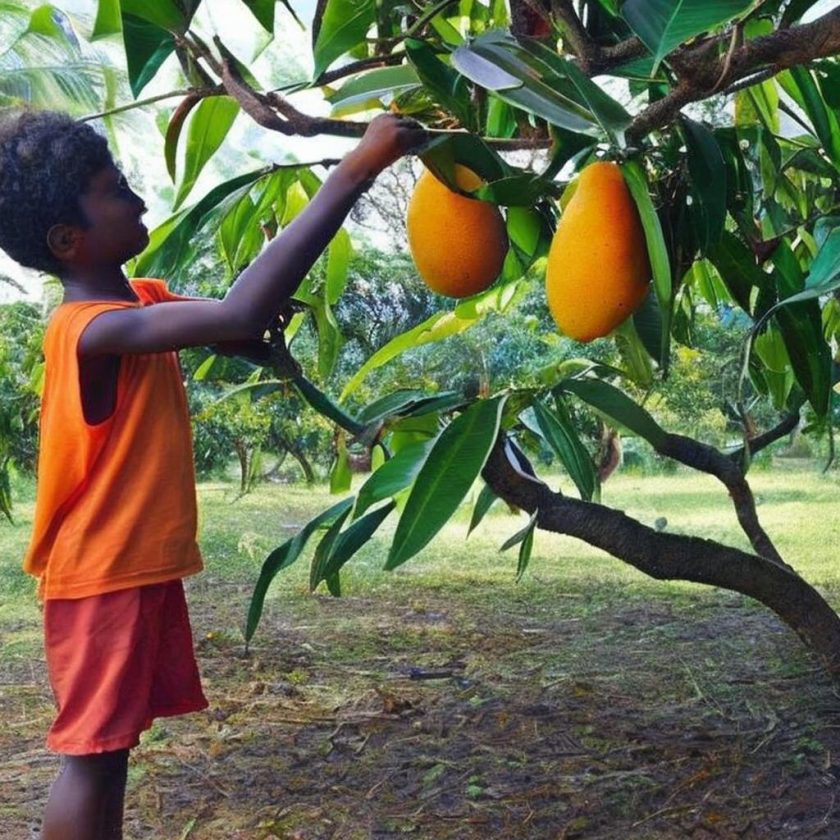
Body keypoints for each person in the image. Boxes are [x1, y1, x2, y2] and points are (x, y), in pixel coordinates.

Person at [0, 107, 425, 840]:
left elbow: (238, 324)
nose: (135, 200)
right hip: (101, 574)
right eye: (114, 192)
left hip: (130, 567)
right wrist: (356, 169)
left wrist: (250, 334)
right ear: (68, 240)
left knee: (114, 749)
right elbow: (239, 311)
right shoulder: (90, 331)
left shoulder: (142, 302)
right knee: (92, 754)